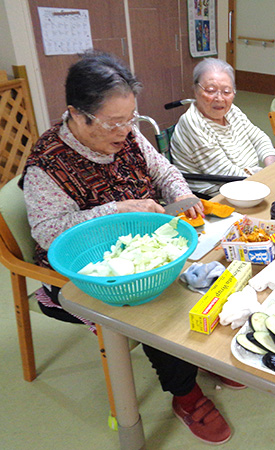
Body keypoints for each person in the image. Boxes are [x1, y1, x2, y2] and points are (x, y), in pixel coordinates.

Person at [21, 51, 234, 445]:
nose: (126, 131)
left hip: (146, 247)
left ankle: (202, 354)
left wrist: (183, 197)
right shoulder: (46, 167)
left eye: (131, 119)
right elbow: (50, 233)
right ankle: (184, 392)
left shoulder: (129, 135)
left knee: (216, 267)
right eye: (115, 123)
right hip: (91, 271)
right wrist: (116, 209)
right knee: (155, 311)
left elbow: (163, 169)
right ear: (77, 114)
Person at [170, 58, 275, 197]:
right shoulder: (193, 123)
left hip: (247, 181)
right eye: (210, 90)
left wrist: (271, 166)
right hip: (217, 195)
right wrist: (265, 181)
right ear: (195, 90)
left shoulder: (232, 111)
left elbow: (259, 137)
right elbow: (224, 174)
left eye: (226, 92)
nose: (219, 98)